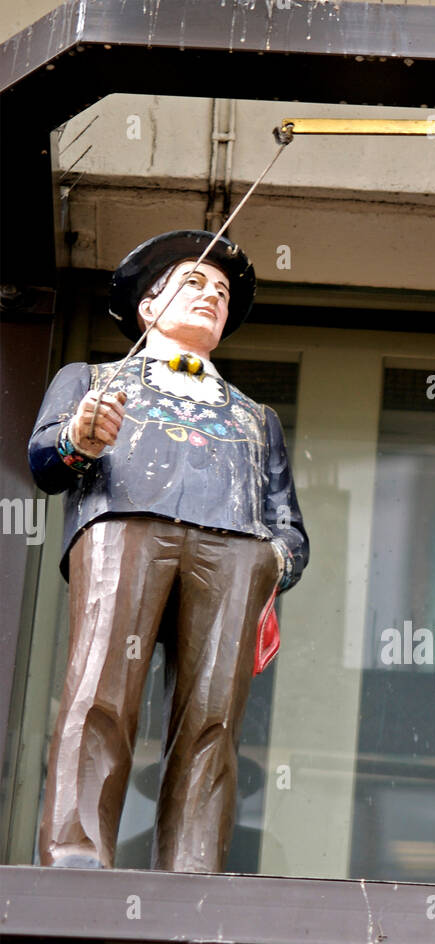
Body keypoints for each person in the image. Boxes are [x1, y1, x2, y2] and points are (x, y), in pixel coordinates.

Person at [28, 229, 309, 872]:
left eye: (221, 290)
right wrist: (80, 437)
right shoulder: (92, 379)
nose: (212, 294)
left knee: (213, 716)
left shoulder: (255, 416)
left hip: (232, 550)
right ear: (148, 307)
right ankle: (76, 855)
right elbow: (43, 462)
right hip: (124, 530)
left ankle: (192, 866)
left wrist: (269, 561)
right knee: (102, 690)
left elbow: (288, 524)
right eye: (194, 282)